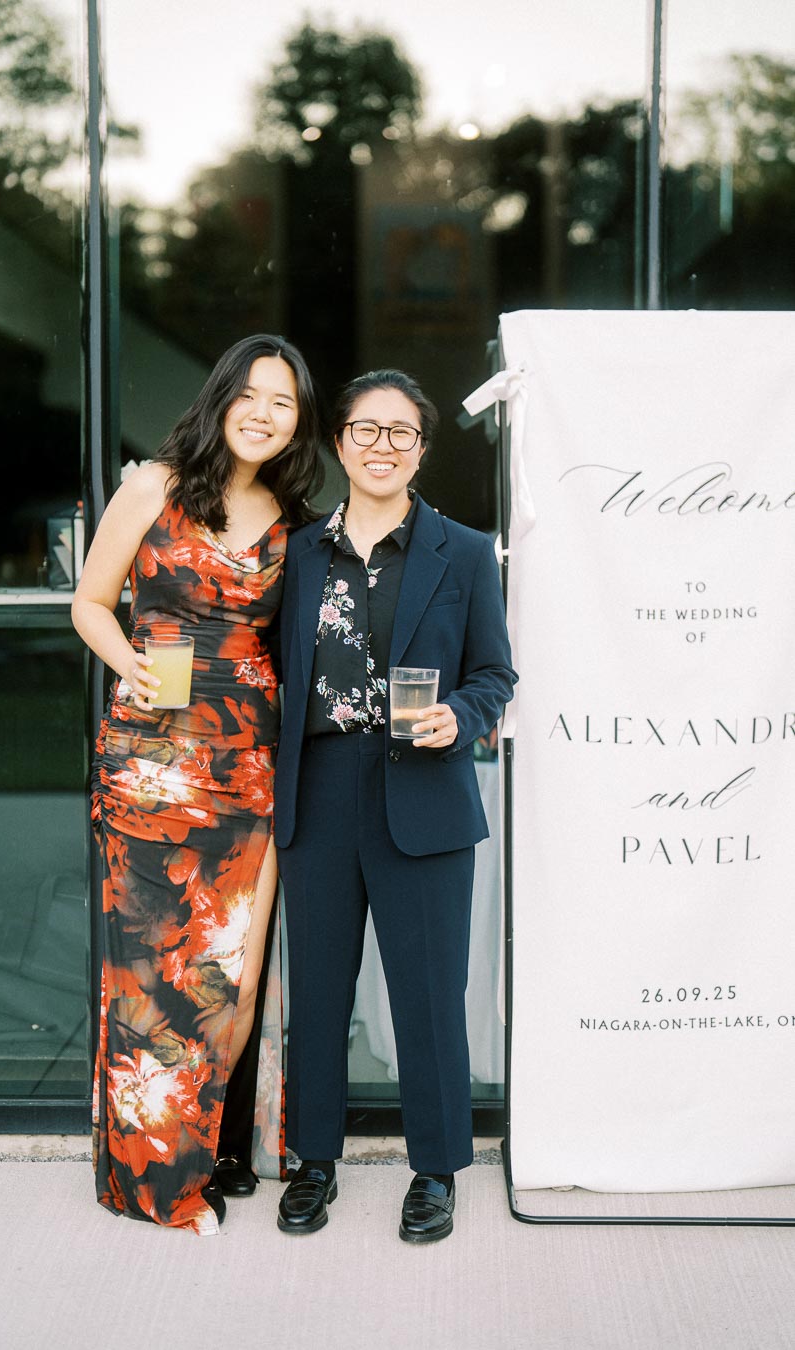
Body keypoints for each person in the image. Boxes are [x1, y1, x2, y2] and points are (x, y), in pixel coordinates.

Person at [72, 334, 321, 1235]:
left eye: (284, 401)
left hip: (249, 770)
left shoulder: (294, 520)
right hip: (150, 761)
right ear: (221, 398)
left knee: (228, 976)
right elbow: (89, 601)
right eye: (250, 393)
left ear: (300, 420)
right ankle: (153, 1185)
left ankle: (202, 1149)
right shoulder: (154, 487)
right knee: (144, 971)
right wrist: (128, 664)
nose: (264, 412)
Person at [273, 369, 517, 1243]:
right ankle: (312, 1161)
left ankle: (437, 1170)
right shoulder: (297, 553)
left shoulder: (464, 550)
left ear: (421, 448)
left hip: (425, 792)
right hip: (321, 789)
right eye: (365, 430)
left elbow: (497, 672)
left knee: (428, 996)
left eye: (401, 432)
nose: (382, 446)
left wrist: (466, 714)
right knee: (322, 992)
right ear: (340, 443)